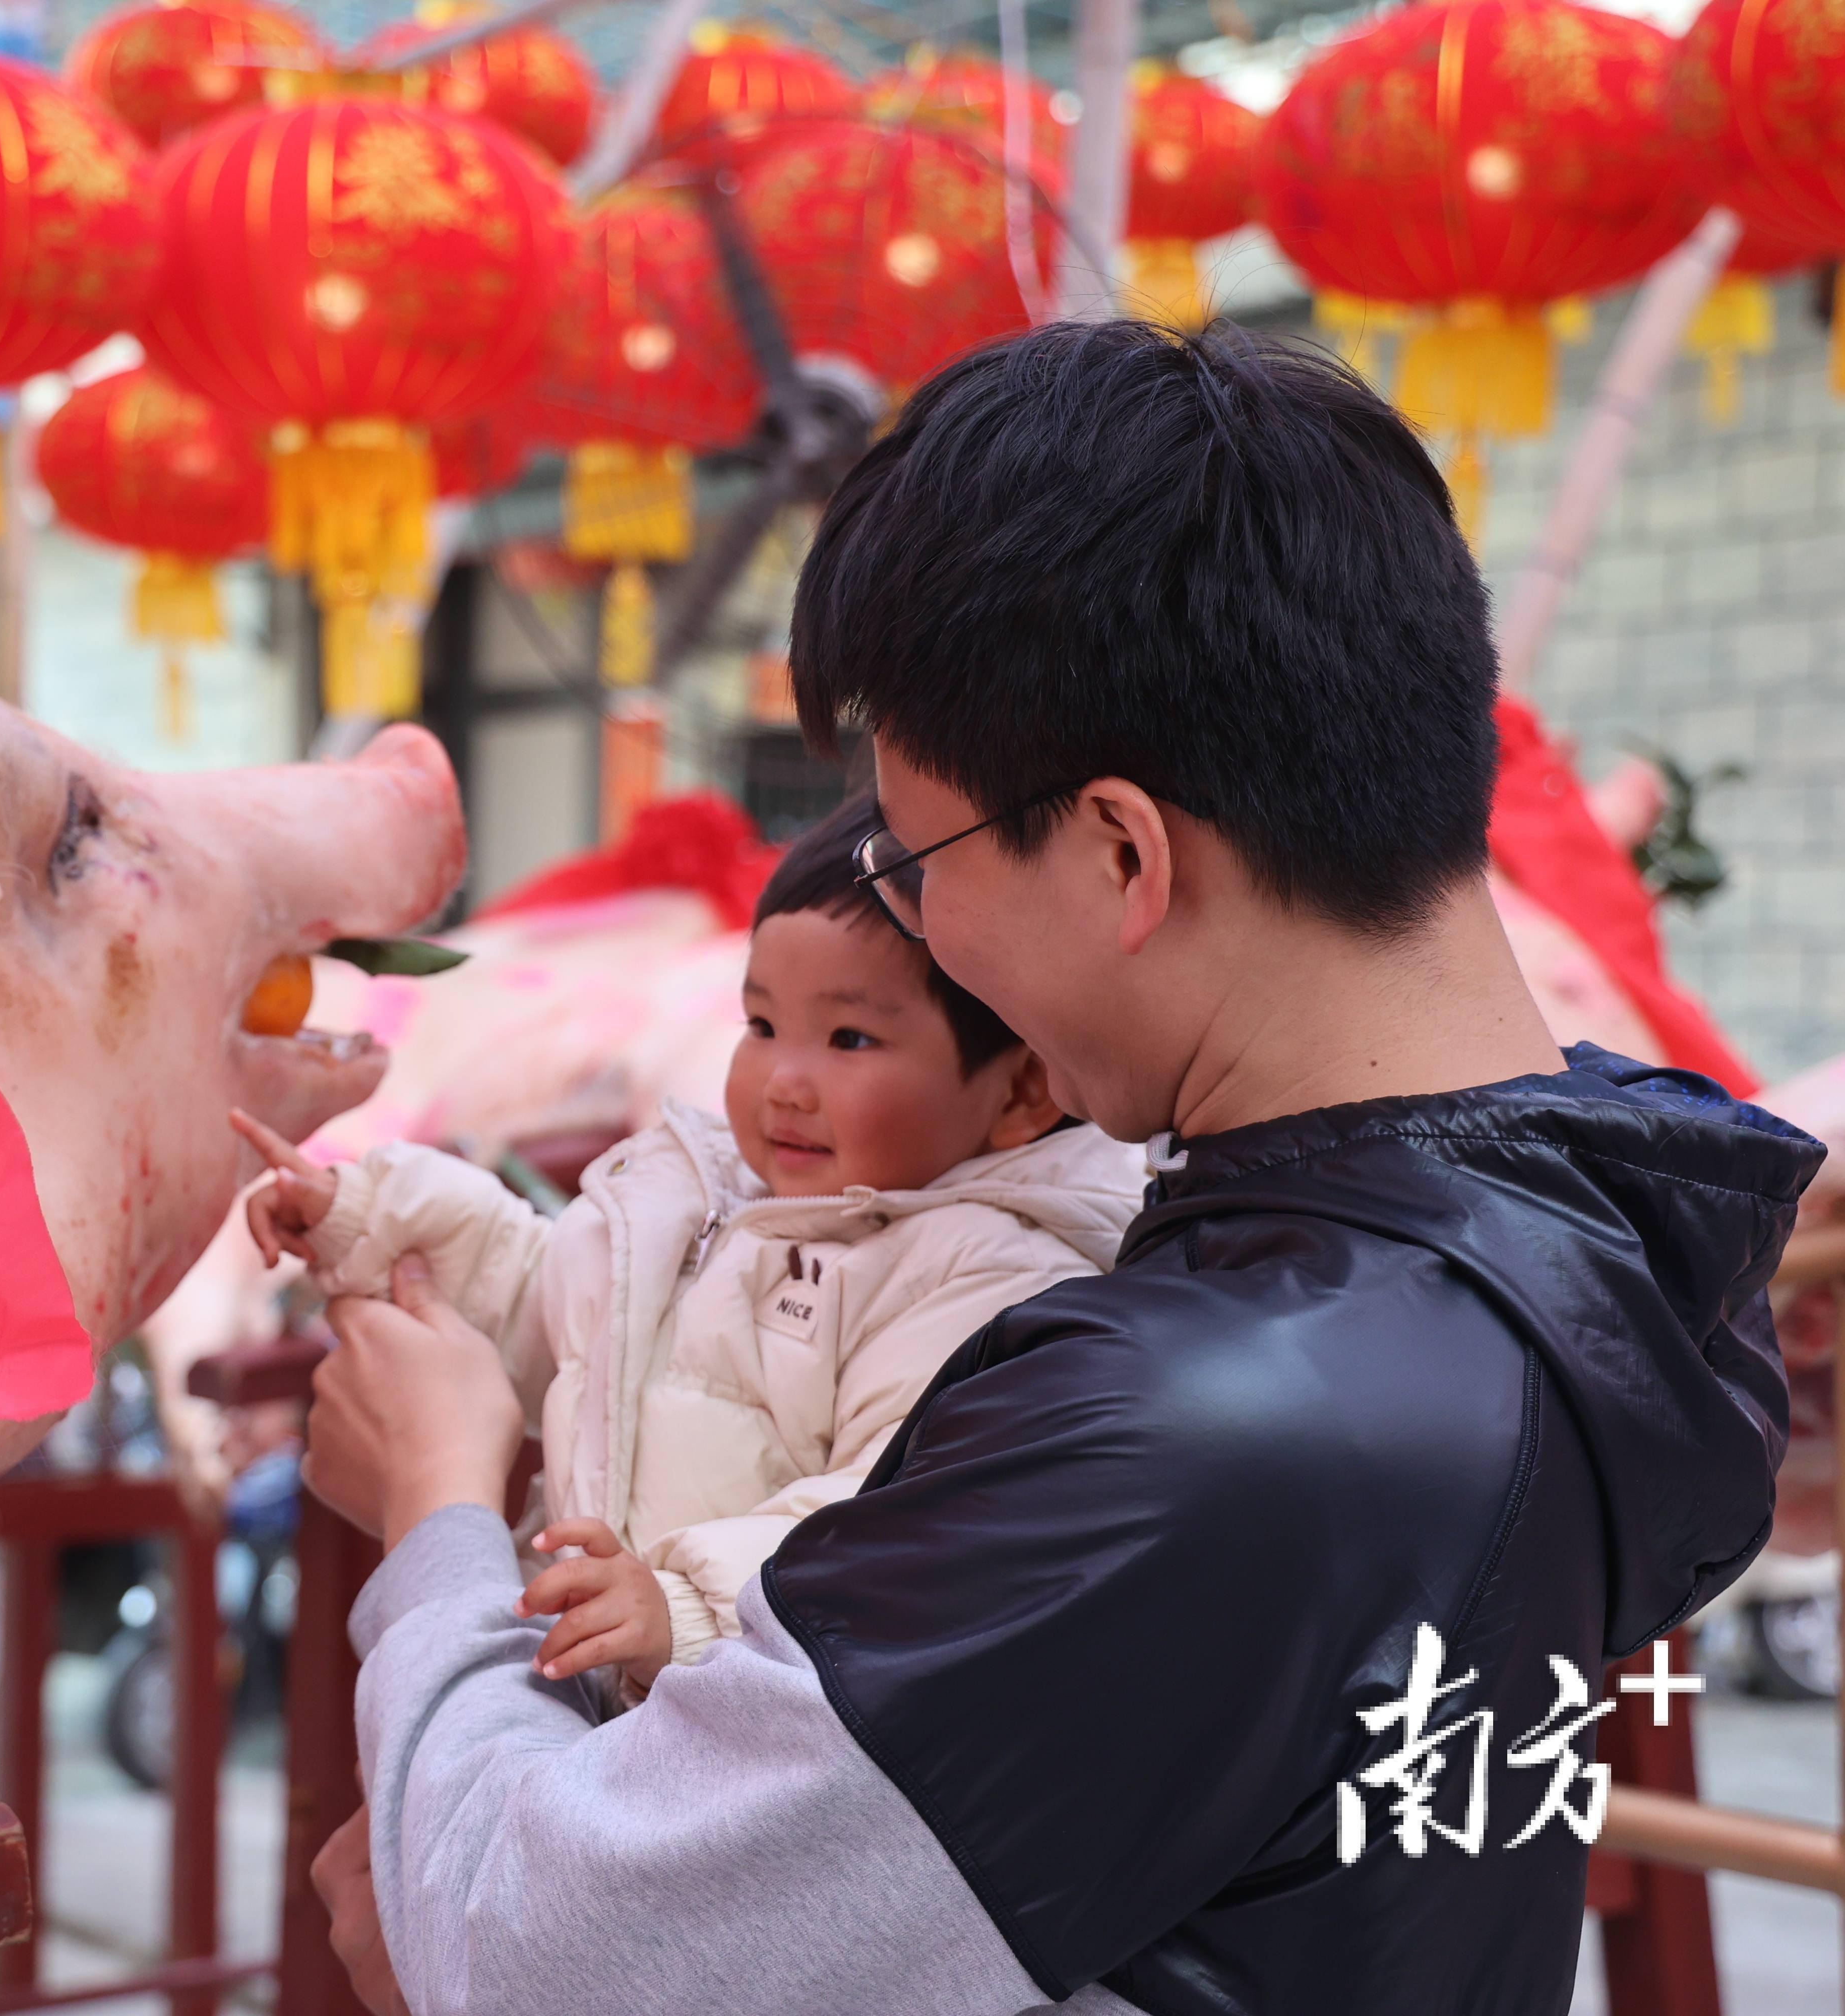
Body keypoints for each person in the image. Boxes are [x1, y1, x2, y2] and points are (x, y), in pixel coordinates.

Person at [300, 320, 1813, 2016]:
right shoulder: (1586, 1264)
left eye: (914, 856)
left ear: (1118, 849)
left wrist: (436, 1510)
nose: (918, 916)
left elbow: (545, 1950)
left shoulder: (1193, 1435)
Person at [234, 796, 1143, 1697]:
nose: (784, 1081)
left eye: (849, 1038)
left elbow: (882, 1514)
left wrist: (686, 1605)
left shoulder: (986, 1277)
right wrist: (367, 1211)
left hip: (730, 1719)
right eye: (761, 1026)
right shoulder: (713, 1207)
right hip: (601, 1695)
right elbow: (545, 1298)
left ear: (1021, 1091)